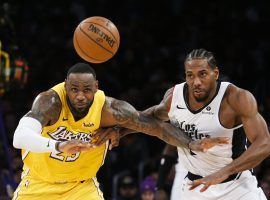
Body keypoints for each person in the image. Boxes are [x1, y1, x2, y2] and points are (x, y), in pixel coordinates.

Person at [12, 63, 226, 200]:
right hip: (38, 185)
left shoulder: (110, 110)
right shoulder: (50, 102)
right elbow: (19, 137)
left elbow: (155, 126)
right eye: (74, 89)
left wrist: (190, 144)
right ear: (65, 86)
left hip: (80, 189)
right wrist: (58, 145)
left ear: (96, 87)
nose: (80, 96)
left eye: (86, 90)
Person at [94, 49, 270, 199]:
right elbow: (150, 117)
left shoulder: (236, 98)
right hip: (195, 188)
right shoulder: (175, 97)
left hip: (237, 187)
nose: (196, 82)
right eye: (190, 75)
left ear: (215, 73)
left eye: (203, 74)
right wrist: (119, 131)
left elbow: (264, 143)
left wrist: (224, 171)